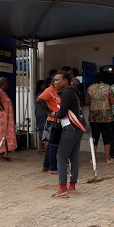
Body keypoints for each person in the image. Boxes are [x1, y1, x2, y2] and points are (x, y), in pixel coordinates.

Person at [50, 70, 85, 198]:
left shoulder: (66, 93)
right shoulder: (74, 91)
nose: (55, 82)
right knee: (74, 158)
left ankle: (63, 188)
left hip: (70, 127)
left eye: (57, 80)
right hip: (78, 127)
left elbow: (62, 112)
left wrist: (54, 114)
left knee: (61, 157)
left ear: (65, 81)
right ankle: (72, 186)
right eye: (54, 80)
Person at [85, 72, 114, 163]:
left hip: (94, 115)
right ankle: (107, 158)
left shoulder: (90, 88)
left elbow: (87, 101)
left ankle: (92, 158)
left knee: (95, 136)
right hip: (106, 115)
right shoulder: (108, 88)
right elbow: (112, 102)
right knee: (107, 137)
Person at [36, 72, 61, 174]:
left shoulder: (57, 91)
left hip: (54, 121)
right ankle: (53, 167)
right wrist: (49, 111)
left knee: (51, 145)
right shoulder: (50, 90)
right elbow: (39, 100)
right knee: (54, 145)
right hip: (53, 121)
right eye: (56, 80)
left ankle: (46, 166)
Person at [0, 77, 17, 161]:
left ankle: (1, 155)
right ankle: (0, 156)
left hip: (6, 118)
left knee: (3, 136)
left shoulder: (3, 93)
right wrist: (1, 105)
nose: (9, 86)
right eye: (8, 84)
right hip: (2, 119)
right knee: (1, 135)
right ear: (4, 84)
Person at [35, 79, 48, 152]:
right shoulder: (42, 94)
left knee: (41, 129)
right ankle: (42, 146)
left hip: (38, 112)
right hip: (42, 112)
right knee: (43, 129)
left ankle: (42, 146)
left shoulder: (38, 93)